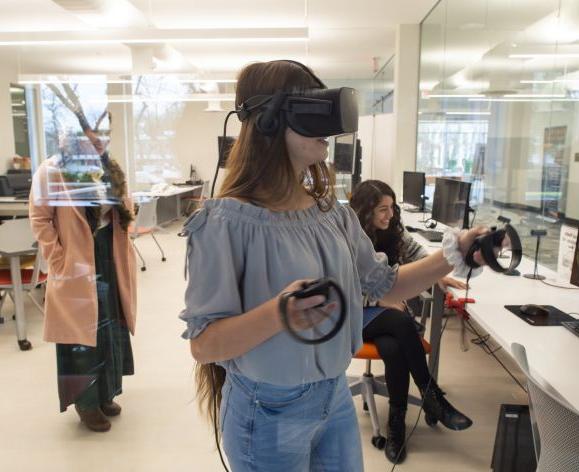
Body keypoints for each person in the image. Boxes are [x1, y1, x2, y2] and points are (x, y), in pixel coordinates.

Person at [180, 60, 486, 472]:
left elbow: (386, 285)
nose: (329, 131)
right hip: (268, 412)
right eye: (312, 113)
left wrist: (455, 254)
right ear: (271, 123)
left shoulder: (332, 214)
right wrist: (279, 314)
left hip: (334, 398)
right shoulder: (225, 222)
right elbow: (204, 346)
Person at [350, 179, 472, 464]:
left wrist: (435, 273)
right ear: (365, 210)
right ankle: (432, 396)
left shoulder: (395, 230)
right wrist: (379, 299)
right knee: (402, 324)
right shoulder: (349, 238)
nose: (389, 215)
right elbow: (344, 291)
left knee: (394, 348)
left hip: (388, 320)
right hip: (356, 316)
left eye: (391, 208)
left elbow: (420, 256)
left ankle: (396, 427)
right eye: (382, 209)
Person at [29, 136, 137, 433]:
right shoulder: (51, 172)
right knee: (81, 335)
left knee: (109, 327)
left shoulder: (107, 166)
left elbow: (123, 207)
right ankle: (85, 402)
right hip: (75, 259)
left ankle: (105, 393)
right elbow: (39, 219)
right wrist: (59, 259)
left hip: (107, 253)